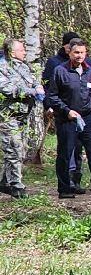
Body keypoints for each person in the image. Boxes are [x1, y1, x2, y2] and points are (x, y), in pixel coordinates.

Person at [43, 38, 91, 199]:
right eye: (76, 53)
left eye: (82, 52)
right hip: (67, 118)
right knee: (66, 153)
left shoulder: (90, 70)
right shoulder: (60, 71)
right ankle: (65, 188)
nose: (79, 56)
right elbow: (52, 95)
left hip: (88, 117)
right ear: (70, 53)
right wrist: (66, 111)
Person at [0, 37, 40, 198]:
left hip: (22, 117)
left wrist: (37, 87)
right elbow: (7, 89)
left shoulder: (23, 67)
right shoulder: (2, 67)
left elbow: (33, 82)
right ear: (12, 52)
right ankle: (17, 185)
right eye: (22, 50)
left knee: (18, 150)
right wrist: (30, 92)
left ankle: (4, 182)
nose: (24, 52)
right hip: (7, 116)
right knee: (14, 148)